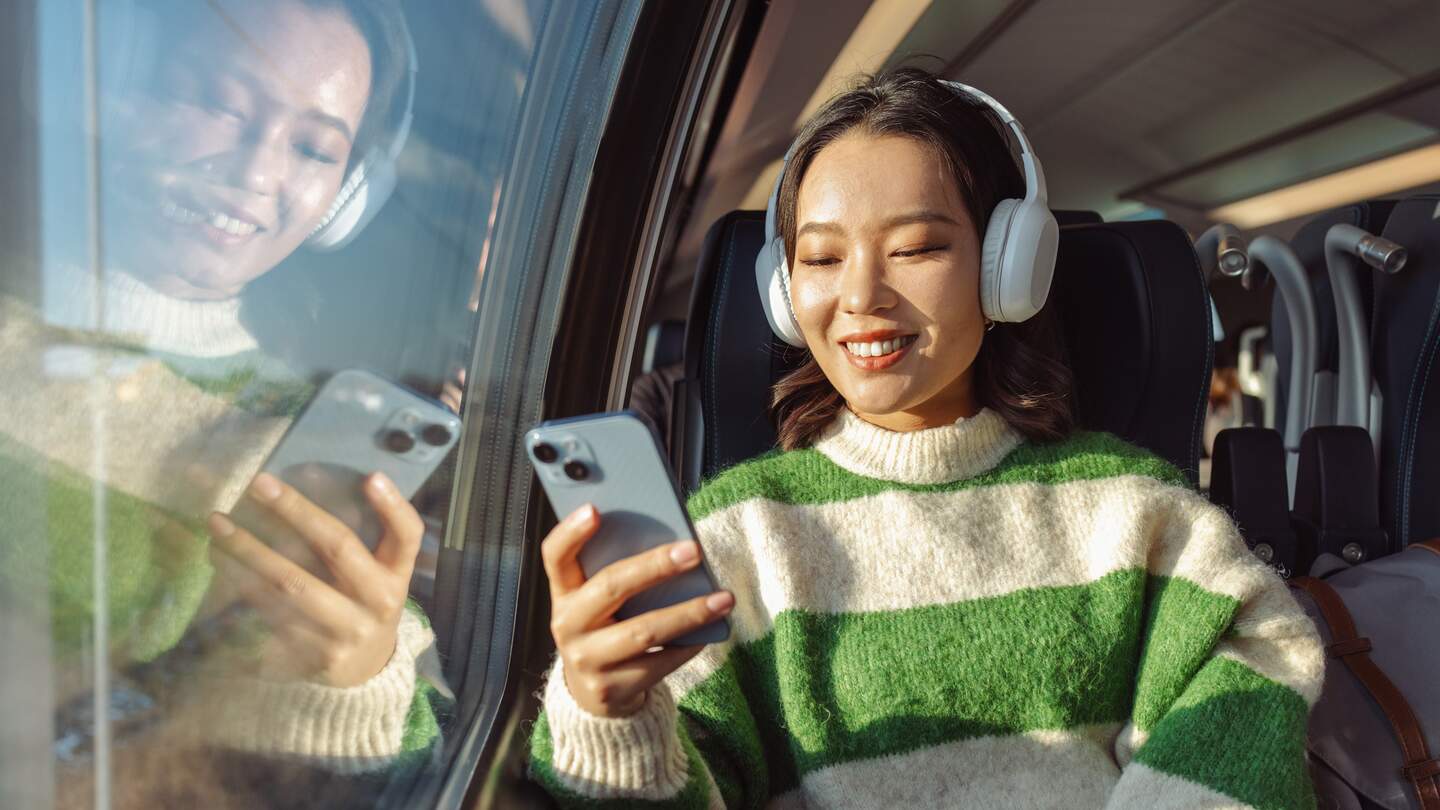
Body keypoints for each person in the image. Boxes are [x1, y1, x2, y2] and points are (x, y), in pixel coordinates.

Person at [527, 67, 1323, 808]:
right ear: (783, 292)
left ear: (1007, 267)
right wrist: (608, 718)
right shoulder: (738, 540)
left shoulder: (1139, 515)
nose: (861, 295)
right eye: (821, 257)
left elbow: (1261, 665)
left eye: (914, 248)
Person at [0, 0, 447, 794]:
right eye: (217, 103)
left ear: (348, 196)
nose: (255, 174)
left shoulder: (300, 441)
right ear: (108, 85)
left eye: (313, 148)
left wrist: (360, 676)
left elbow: (406, 754)